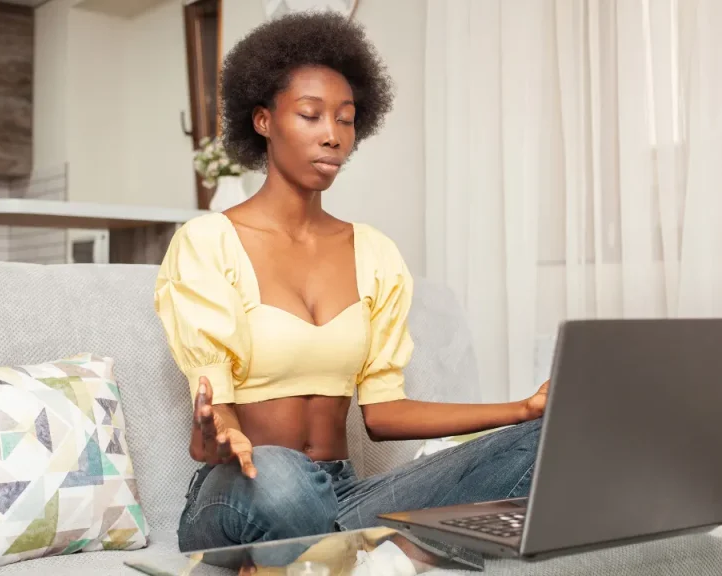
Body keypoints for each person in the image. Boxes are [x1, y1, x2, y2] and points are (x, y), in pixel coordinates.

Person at [153, 11, 548, 554]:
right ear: (264, 121)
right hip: (245, 488)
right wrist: (214, 433)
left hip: (343, 495)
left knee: (542, 445)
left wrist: (522, 409)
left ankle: (357, 553)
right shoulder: (208, 242)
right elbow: (214, 418)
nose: (333, 137)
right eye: (311, 116)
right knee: (281, 476)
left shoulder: (375, 254)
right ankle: (399, 550)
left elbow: (384, 414)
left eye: (346, 119)